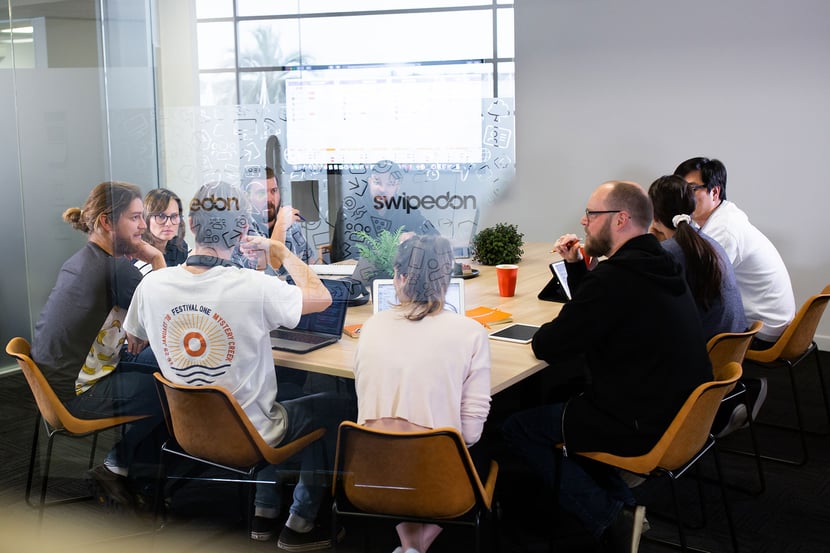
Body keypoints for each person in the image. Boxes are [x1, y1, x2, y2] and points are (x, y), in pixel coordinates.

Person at [123, 180, 350, 551]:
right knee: (335, 407)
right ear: (243, 230)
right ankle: (301, 523)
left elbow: (135, 339)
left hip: (188, 430)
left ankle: (264, 509)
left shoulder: (152, 285)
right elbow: (321, 297)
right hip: (250, 435)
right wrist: (279, 249)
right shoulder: (254, 286)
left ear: (191, 225)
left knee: (288, 394)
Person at [502, 181, 712, 553]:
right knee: (565, 396)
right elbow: (603, 310)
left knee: (518, 427)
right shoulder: (661, 261)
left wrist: (579, 292)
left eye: (592, 214)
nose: (583, 222)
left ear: (621, 220)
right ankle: (628, 510)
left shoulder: (617, 278)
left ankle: (608, 516)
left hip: (637, 421)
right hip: (680, 411)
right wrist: (579, 271)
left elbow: (549, 344)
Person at [31, 181, 167, 507]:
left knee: (153, 366)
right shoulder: (116, 270)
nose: (142, 226)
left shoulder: (83, 259)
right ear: (107, 222)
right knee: (175, 390)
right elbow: (173, 313)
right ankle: (121, 471)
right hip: (76, 398)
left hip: (54, 387)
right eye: (134, 218)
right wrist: (158, 258)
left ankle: (123, 468)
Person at [353, 234, 492, 553]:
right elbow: (470, 434)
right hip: (440, 486)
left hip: (372, 477)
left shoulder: (372, 326)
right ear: (447, 280)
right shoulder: (471, 333)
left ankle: (409, 542)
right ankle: (420, 540)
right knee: (486, 443)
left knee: (409, 445)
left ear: (399, 278)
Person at [673, 157, 795, 348]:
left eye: (691, 189)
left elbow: (697, 285)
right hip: (770, 320)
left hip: (762, 331)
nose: (682, 196)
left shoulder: (724, 231)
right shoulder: (717, 217)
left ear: (714, 191)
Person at [647, 174, 747, 340]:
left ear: (654, 215)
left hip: (704, 352)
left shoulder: (668, 254)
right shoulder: (708, 243)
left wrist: (656, 247)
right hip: (731, 346)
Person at [331, 160, 439, 262]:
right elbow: (351, 253)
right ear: (370, 182)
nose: (383, 189)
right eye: (377, 182)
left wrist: (415, 236)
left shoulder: (404, 206)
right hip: (352, 274)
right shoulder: (352, 206)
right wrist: (394, 247)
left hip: (395, 272)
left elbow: (434, 235)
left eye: (390, 183)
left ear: (397, 186)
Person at [237, 167, 318, 271]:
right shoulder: (243, 228)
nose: (270, 199)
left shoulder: (291, 225)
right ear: (247, 197)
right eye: (261, 193)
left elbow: (311, 264)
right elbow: (271, 270)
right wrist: (282, 225)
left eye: (274, 191)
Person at [133, 188, 189, 275]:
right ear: (146, 218)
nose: (168, 223)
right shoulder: (140, 256)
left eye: (174, 216)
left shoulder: (180, 246)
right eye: (161, 216)